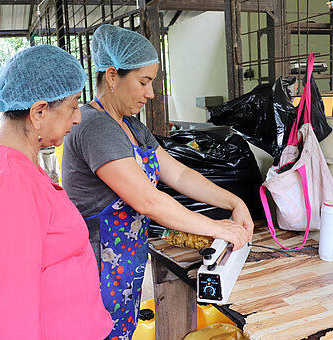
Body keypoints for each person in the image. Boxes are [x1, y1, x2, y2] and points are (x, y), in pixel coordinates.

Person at [62, 24, 253, 339]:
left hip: (125, 261)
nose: (150, 93)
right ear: (112, 76)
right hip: (97, 266)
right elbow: (146, 200)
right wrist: (220, 228)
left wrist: (234, 202)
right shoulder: (96, 128)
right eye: (144, 82)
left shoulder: (132, 126)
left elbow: (177, 173)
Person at [0, 45, 112, 340]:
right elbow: (13, 306)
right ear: (39, 112)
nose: (78, 117)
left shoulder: (16, 162)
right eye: (73, 106)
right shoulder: (8, 183)